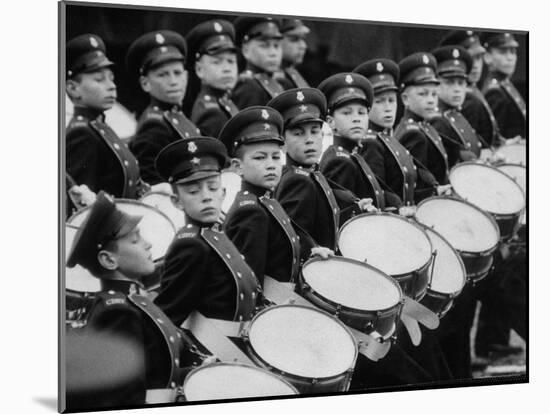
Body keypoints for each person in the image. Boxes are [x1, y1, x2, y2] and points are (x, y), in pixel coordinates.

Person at [66, 191, 196, 409]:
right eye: (135, 240)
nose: (148, 245)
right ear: (108, 260)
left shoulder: (134, 300)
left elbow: (157, 371)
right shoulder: (118, 312)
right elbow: (123, 398)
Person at [153, 137, 261, 327]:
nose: (206, 197)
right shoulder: (191, 245)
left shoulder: (215, 234)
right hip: (217, 349)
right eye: (193, 191)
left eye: (212, 187)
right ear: (177, 201)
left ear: (224, 192)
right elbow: (167, 318)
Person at [220, 106, 333, 285]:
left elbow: (282, 241)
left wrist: (311, 250)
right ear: (237, 166)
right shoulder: (251, 211)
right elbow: (252, 282)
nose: (271, 165)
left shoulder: (265, 200)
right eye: (260, 158)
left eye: (275, 157)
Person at [267, 87, 370, 251]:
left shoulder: (310, 174)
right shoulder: (297, 180)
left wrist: (356, 207)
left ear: (323, 136)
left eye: (315, 132)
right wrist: (312, 250)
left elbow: (323, 221)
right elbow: (293, 238)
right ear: (283, 142)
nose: (309, 140)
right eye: (298, 133)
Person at [66, 34, 146, 216]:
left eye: (111, 78)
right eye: (99, 79)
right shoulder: (81, 134)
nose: (111, 86)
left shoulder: (100, 127)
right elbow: (80, 211)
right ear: (73, 88)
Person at [126, 30, 201, 185]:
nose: (173, 81)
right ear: (145, 83)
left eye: (177, 73)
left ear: (186, 76)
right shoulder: (153, 125)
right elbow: (154, 185)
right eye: (163, 75)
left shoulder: (175, 114)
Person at [353, 58, 431, 208]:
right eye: (380, 101)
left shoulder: (387, 138)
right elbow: (377, 195)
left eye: (391, 100)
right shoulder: (370, 143)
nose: (388, 108)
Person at [318, 72, 400, 210]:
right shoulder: (339, 161)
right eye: (347, 113)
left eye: (361, 113)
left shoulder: (352, 154)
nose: (356, 118)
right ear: (331, 122)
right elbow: (343, 214)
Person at [394, 52, 451, 199]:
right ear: (406, 99)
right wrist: (436, 190)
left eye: (434, 94)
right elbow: (416, 182)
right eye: (423, 94)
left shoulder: (423, 126)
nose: (431, 100)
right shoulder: (413, 134)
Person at [439, 30, 501, 149]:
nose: (476, 65)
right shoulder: (465, 100)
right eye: (470, 59)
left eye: (479, 58)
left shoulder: (474, 90)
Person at [186, 19, 240, 138]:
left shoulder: (224, 101)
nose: (227, 69)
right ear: (199, 70)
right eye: (217, 62)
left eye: (231, 61)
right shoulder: (210, 113)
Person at [430, 45, 480, 168]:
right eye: (449, 82)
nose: (457, 89)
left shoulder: (455, 114)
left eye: (461, 83)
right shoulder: (437, 121)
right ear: (436, 84)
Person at [231, 17, 292, 109]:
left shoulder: (282, 83)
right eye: (264, 46)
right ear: (246, 50)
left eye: (276, 45)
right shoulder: (248, 88)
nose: (273, 53)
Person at [481, 32, 526, 140]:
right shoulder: (495, 92)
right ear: (487, 57)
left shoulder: (506, 85)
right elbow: (494, 139)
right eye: (503, 52)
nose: (510, 58)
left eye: (513, 52)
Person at [275, 18, 310, 88]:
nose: (303, 46)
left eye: (303, 39)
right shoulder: (272, 78)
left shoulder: (293, 73)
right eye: (294, 39)